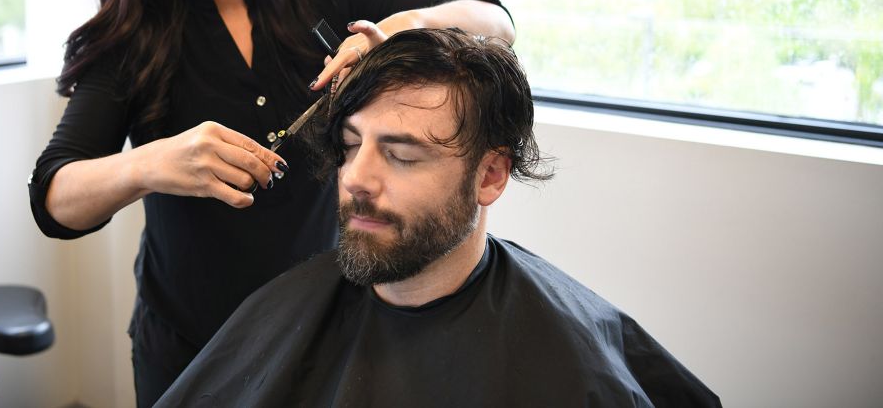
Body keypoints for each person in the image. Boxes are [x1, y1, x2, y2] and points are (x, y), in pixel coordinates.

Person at [27, 0, 515, 407]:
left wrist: (399, 29)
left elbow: (493, 20)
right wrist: (155, 164)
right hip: (192, 348)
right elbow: (52, 198)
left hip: (323, 329)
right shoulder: (134, 45)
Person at [156, 28, 721, 407]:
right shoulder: (284, 312)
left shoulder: (569, 356)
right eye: (352, 147)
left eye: (402, 156)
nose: (355, 178)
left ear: (490, 176)